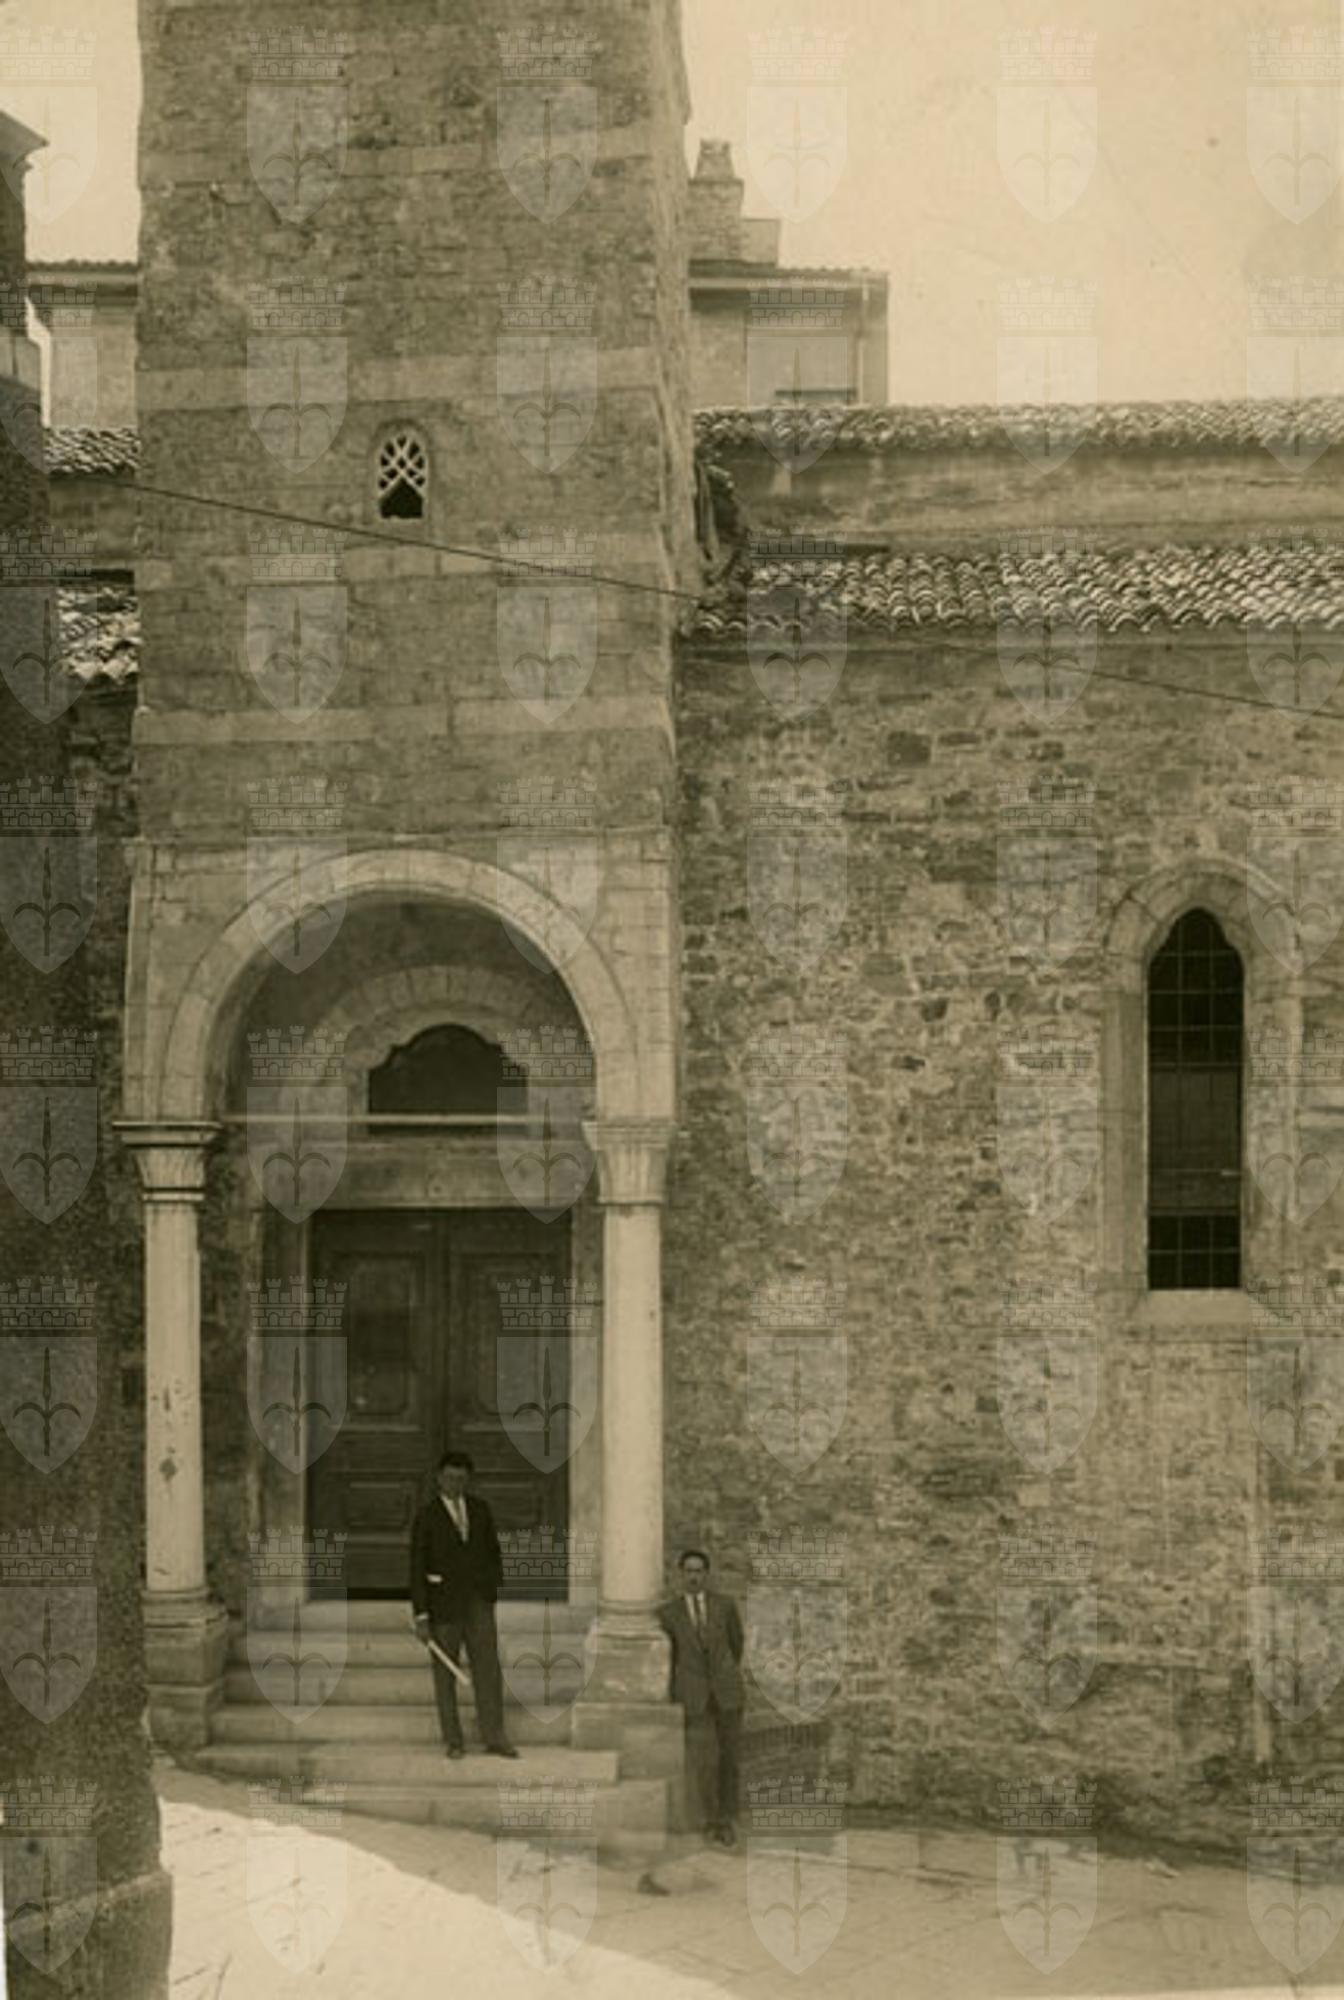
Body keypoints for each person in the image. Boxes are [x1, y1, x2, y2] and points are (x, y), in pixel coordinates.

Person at [410, 1449, 518, 1759]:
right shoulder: (427, 1516)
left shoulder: (480, 1510)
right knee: (446, 1675)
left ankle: (495, 1736)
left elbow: (493, 1552)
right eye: (449, 1478)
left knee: (488, 1669)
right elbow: (416, 1568)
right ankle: (453, 1740)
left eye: (461, 1479)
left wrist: (490, 1591)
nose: (454, 1485)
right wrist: (421, 1615)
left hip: (478, 1603)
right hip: (443, 1606)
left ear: (468, 1480)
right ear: (439, 1478)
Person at [658, 1548, 745, 1846]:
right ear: (680, 1575)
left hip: (727, 1692)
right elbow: (671, 1657)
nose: (693, 1577)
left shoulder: (725, 1606)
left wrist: (723, 1674)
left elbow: (736, 1643)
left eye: (698, 1571)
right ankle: (708, 1820)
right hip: (693, 1695)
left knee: (729, 1758)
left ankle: (727, 1820)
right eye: (689, 1571)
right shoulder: (668, 1614)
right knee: (703, 1760)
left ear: (706, 1574)